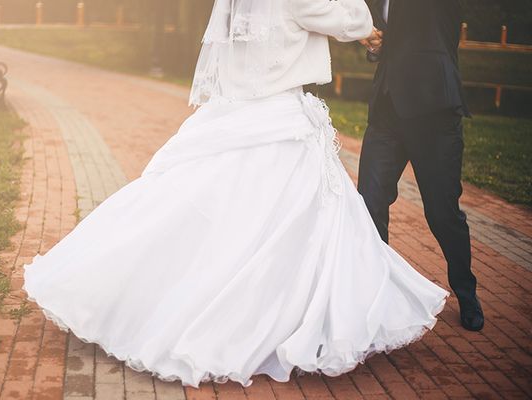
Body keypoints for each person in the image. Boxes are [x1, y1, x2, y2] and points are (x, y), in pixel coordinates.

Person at [22, 0, 449, 387]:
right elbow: (348, 18)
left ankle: (128, 282)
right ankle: (268, 319)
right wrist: (365, 22)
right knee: (284, 220)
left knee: (225, 214)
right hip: (278, 115)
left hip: (236, 109)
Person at [358, 0, 484, 331]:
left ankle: (466, 291)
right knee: (368, 205)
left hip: (434, 110)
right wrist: (374, 44)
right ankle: (375, 293)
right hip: (386, 111)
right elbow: (384, 36)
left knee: (442, 213)